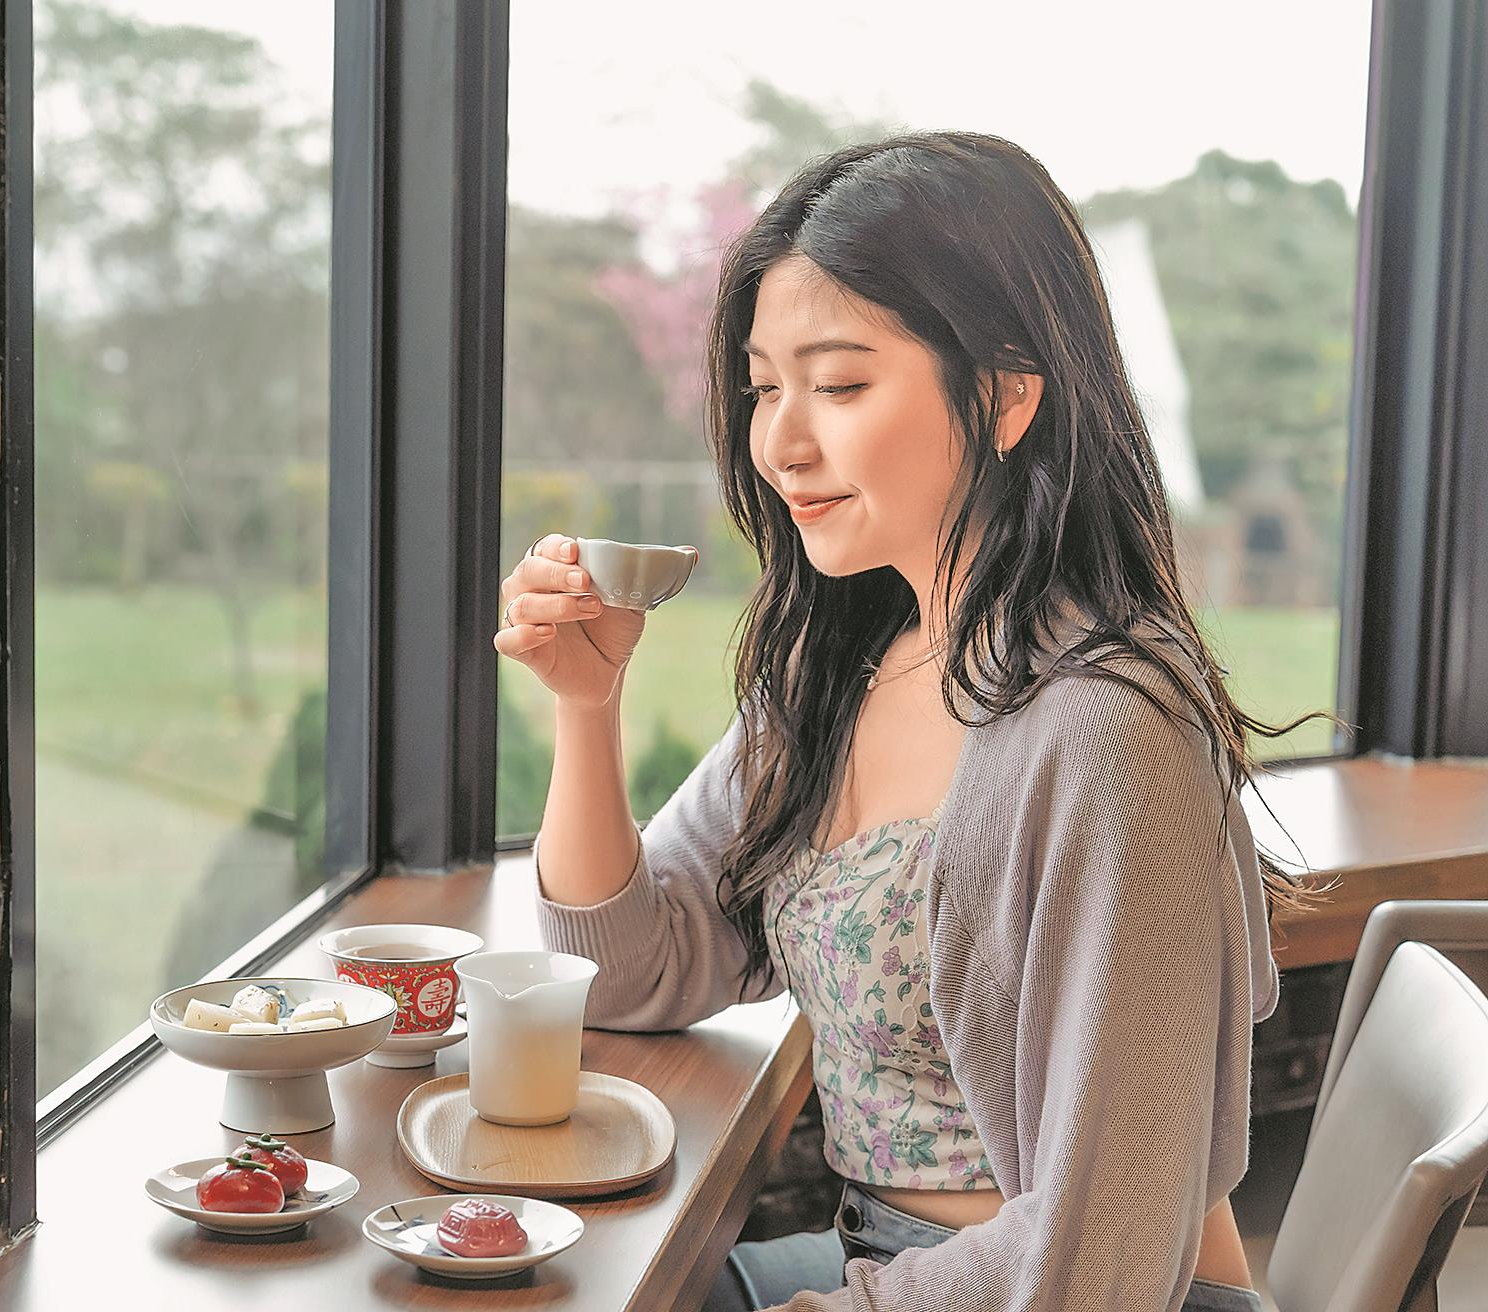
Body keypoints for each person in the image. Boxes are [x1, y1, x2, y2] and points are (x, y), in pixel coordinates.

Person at [495, 132, 1325, 1312]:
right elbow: (629, 971)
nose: (780, 440)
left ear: (1003, 394)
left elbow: (1100, 1254)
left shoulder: (1105, 730)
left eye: (836, 383)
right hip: (899, 1269)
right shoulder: (844, 665)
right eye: (761, 384)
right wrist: (586, 709)